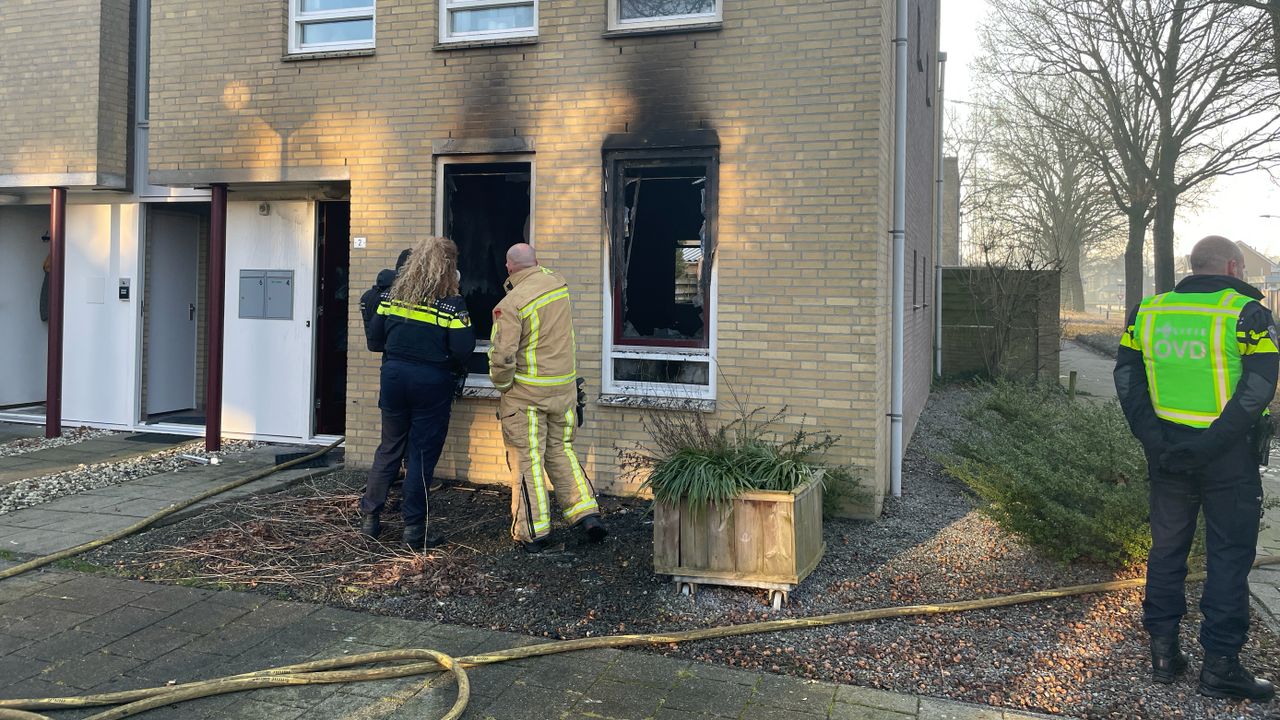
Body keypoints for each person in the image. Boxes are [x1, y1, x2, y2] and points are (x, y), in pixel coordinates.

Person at [1114, 235, 1278, 701]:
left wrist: (1155, 440)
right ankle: (1220, 667)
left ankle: (1164, 656)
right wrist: (1211, 445)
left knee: (1167, 551)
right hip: (1227, 459)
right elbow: (1259, 389)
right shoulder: (1247, 315)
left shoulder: (1147, 312)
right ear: (1232, 267)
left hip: (1168, 454)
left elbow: (1127, 378)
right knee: (1228, 556)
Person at [489, 244, 607, 553]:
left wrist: (502, 385)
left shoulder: (510, 304)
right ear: (536, 262)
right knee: (561, 451)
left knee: (527, 460)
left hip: (527, 396)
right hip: (564, 391)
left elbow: (503, 357)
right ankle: (586, 513)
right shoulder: (558, 285)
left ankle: (534, 531)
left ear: (509, 267)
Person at [361, 237, 475, 549]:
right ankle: (413, 529)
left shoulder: (393, 296)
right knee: (421, 455)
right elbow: (463, 349)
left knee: (389, 447)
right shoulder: (451, 304)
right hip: (431, 382)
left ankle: (370, 518)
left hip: (394, 378)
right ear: (448, 268)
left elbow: (375, 338)